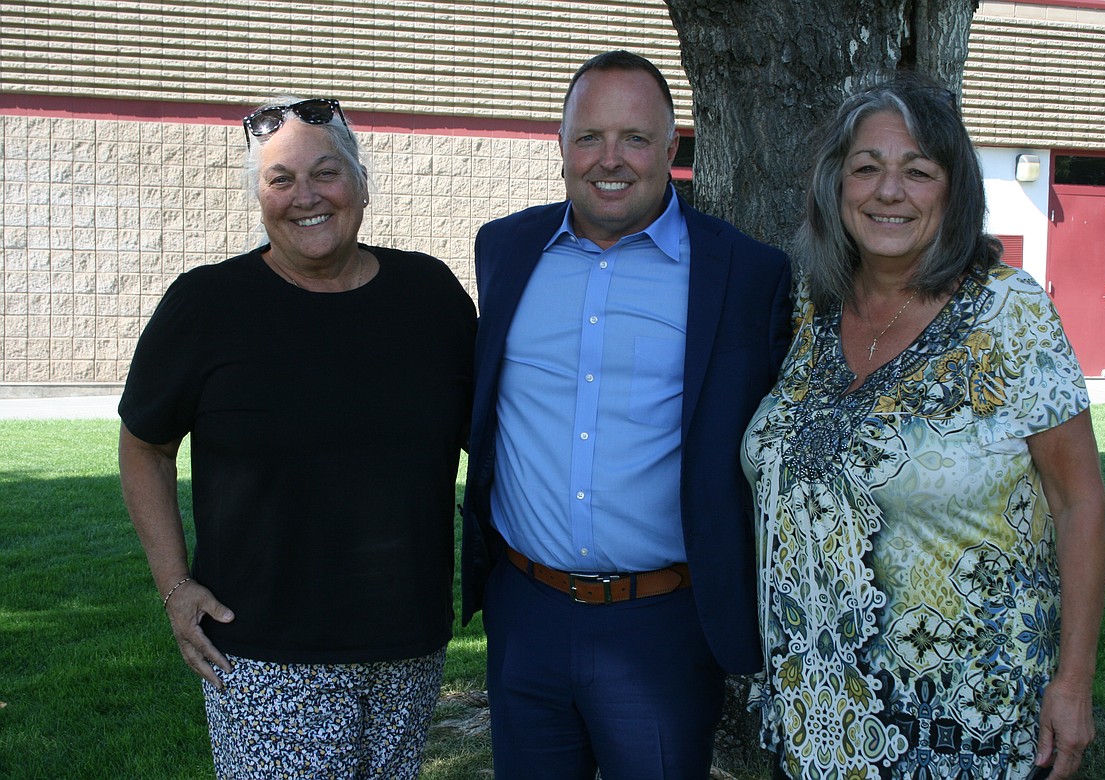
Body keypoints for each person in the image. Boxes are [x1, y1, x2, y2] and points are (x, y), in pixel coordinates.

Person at [741, 71, 1105, 780]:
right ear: (836, 186)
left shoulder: (1009, 314)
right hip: (816, 710)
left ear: (953, 191)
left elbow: (1081, 502)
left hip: (969, 719)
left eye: (918, 170)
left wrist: (1074, 684)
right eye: (867, 168)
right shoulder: (808, 311)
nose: (889, 191)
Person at [118, 96, 476, 778]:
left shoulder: (429, 296)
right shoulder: (206, 305)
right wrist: (174, 585)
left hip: (407, 647)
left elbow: (487, 436)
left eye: (326, 173)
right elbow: (145, 446)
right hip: (263, 658)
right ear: (259, 197)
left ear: (361, 183)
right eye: (280, 180)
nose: (305, 196)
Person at [459, 50, 793, 779]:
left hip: (664, 626)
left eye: (635, 139)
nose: (610, 159)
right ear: (562, 145)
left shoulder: (744, 274)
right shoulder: (506, 249)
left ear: (670, 149)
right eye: (589, 137)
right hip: (526, 611)